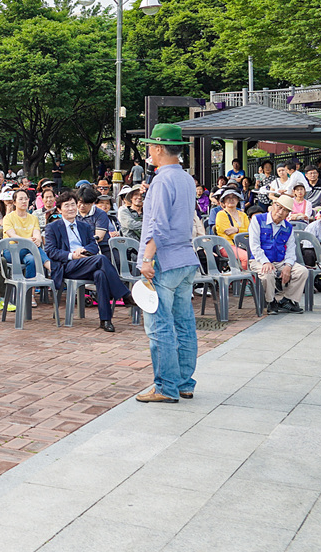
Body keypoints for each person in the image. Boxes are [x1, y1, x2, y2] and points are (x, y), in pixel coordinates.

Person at [135, 123, 202, 404]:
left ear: (159, 148)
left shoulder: (162, 181)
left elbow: (158, 226)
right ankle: (184, 383)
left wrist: (147, 258)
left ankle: (165, 386)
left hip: (164, 259)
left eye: (151, 147)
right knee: (184, 323)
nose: (149, 152)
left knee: (159, 326)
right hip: (185, 258)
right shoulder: (186, 178)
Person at [44, 190, 132, 333]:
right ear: (59, 210)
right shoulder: (53, 227)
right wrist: (72, 255)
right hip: (67, 266)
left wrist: (84, 250)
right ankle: (125, 294)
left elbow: (93, 245)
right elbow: (50, 251)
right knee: (101, 259)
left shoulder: (84, 226)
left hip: (87, 262)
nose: (71, 208)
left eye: (73, 204)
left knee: (100, 275)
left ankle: (105, 320)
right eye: (67, 206)